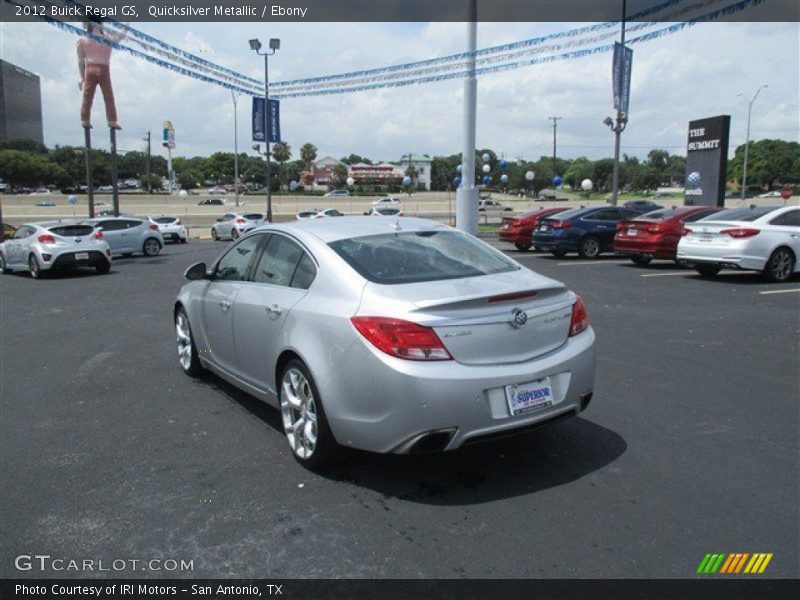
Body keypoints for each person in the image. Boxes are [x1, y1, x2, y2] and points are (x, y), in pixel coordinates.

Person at [77, 20, 129, 130]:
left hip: (90, 67)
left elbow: (80, 61)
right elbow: (120, 36)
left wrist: (82, 78)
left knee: (87, 96)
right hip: (104, 67)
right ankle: (112, 120)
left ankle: (85, 119)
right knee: (108, 96)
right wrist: (126, 25)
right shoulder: (107, 38)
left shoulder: (82, 40)